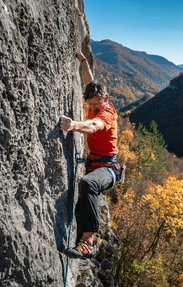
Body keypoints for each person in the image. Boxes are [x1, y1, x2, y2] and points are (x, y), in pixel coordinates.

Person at [59, 51, 119, 259]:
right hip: (95, 165)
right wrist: (83, 61)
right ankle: (78, 243)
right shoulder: (95, 98)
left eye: (96, 104)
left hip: (109, 169)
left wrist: (74, 125)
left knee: (89, 184)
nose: (93, 108)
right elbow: (89, 81)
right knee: (81, 202)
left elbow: (94, 126)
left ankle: (88, 243)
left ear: (106, 100)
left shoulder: (107, 114)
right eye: (90, 104)